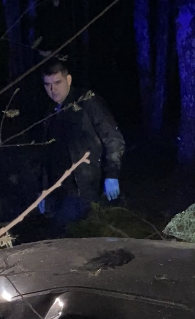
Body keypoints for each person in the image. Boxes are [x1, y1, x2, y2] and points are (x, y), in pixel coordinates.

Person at [37, 59, 125, 231]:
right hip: (59, 192)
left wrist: (112, 174)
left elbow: (113, 138)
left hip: (86, 188)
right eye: (48, 85)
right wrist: (44, 190)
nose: (53, 90)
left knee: (77, 232)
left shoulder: (87, 102)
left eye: (57, 82)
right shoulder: (49, 112)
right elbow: (45, 155)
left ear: (68, 80)